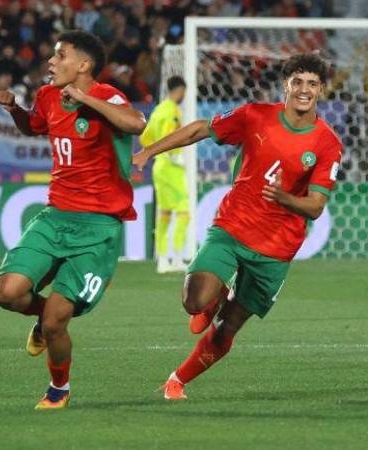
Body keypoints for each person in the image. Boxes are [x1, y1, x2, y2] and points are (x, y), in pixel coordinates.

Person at [130, 54, 343, 401]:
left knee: (229, 326)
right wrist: (148, 152)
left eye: (312, 84)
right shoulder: (255, 115)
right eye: (298, 82)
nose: (304, 90)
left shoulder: (327, 143)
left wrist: (284, 198)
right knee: (193, 300)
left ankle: (177, 380)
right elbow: (201, 128)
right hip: (233, 227)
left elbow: (316, 207)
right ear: (285, 84)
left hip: (276, 247)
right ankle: (211, 300)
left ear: (321, 90)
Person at [0, 30, 147, 409]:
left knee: (58, 321)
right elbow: (36, 125)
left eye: (60, 56)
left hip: (99, 228)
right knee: (7, 293)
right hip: (56, 215)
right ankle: (44, 318)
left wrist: (84, 99)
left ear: (84, 65)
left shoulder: (108, 96)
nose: (51, 61)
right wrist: (15, 110)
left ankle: (58, 387)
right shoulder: (47, 96)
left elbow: (136, 124)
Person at [141, 76, 192, 274]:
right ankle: (177, 257)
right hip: (171, 167)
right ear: (179, 90)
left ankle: (163, 260)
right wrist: (173, 156)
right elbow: (170, 136)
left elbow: (145, 137)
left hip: (159, 166)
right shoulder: (171, 111)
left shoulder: (158, 110)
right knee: (184, 212)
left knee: (164, 213)